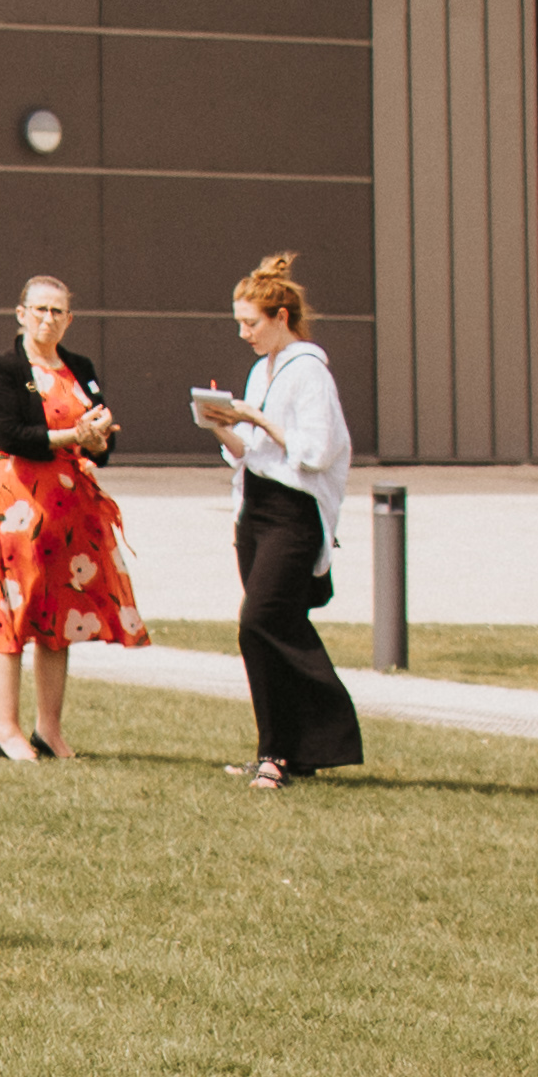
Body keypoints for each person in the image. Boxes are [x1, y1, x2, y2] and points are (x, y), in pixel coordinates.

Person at [192, 249, 367, 786]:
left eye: (251, 323)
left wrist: (256, 416)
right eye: (239, 323)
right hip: (257, 509)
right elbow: (247, 452)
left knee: (260, 622)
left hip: (294, 513)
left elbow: (315, 452)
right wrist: (221, 423)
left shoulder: (309, 372)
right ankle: (283, 751)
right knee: (272, 628)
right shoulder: (260, 368)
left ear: (280, 318)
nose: (244, 333)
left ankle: (301, 743)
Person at [0, 271, 144, 759]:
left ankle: (48, 728)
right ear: (21, 314)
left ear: (69, 319)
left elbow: (100, 434)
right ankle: (5, 728)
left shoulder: (80, 366)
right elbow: (11, 433)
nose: (48, 319)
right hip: (18, 500)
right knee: (14, 607)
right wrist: (74, 437)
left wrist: (99, 435)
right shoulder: (4, 367)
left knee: (60, 613)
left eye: (58, 311)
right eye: (40, 310)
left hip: (71, 501)